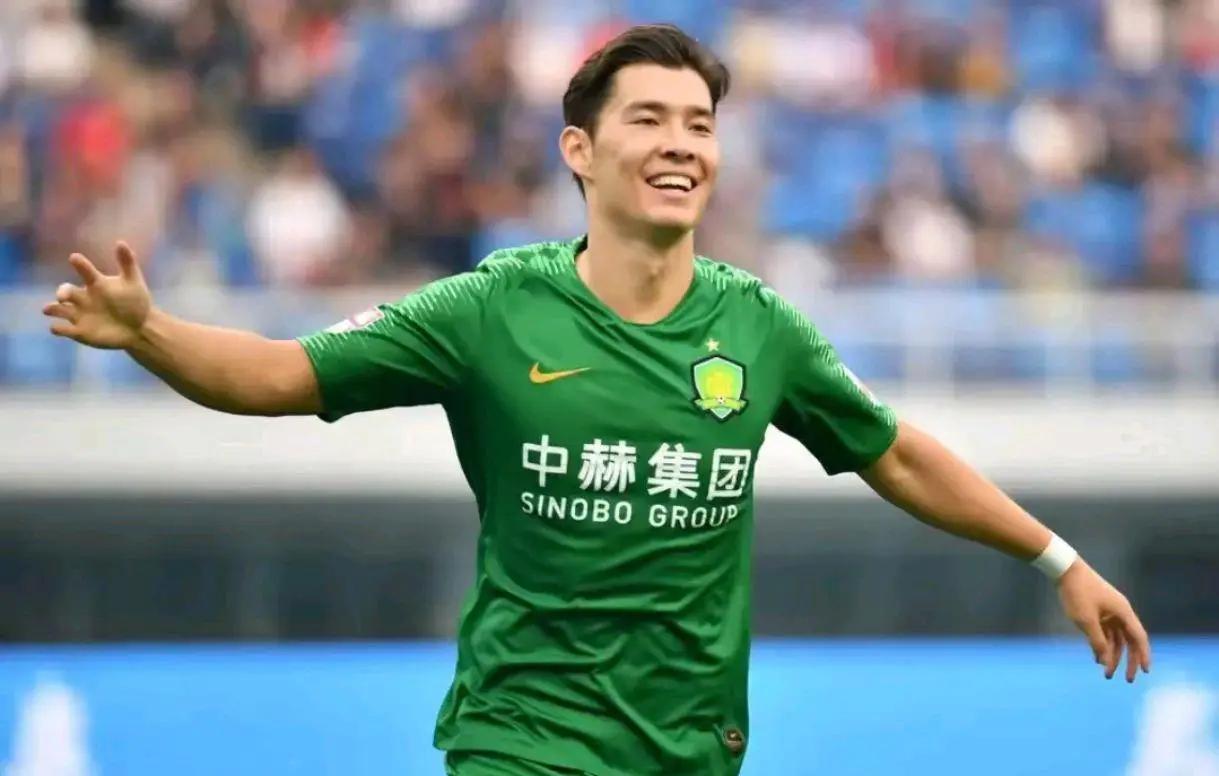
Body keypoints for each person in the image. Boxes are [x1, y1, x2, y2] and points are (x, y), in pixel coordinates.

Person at [42, 24, 1151, 776]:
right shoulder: (490, 310)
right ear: (579, 149)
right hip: (520, 740)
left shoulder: (760, 327)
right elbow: (283, 375)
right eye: (649, 119)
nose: (680, 144)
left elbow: (894, 453)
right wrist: (151, 332)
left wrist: (1058, 559)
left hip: (690, 748)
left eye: (699, 124)